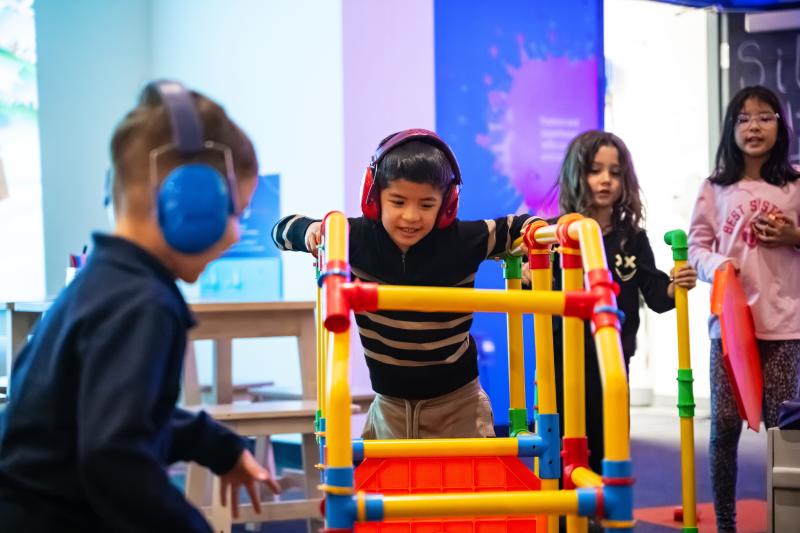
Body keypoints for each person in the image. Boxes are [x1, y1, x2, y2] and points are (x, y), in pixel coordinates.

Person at [0, 80, 279, 533]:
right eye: (238, 212)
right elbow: (116, 459)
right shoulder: (142, 304)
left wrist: (215, 445)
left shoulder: (105, 284)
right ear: (190, 201)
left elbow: (120, 414)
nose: (234, 235)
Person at [272, 128, 538, 440]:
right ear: (373, 197)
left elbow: (516, 226)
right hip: (390, 408)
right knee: (392, 486)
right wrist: (313, 229)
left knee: (463, 485)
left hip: (458, 406)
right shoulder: (353, 238)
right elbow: (281, 231)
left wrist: (534, 234)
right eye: (397, 202)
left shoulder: (463, 240)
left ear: (447, 204)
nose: (410, 216)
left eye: (426, 205)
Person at [544, 129, 697, 475]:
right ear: (576, 174)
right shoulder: (555, 235)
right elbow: (538, 296)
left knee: (608, 443)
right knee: (564, 446)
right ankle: (564, 519)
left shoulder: (632, 239)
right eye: (595, 170)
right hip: (563, 362)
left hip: (613, 360)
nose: (605, 181)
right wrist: (526, 278)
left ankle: (602, 516)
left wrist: (676, 286)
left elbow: (656, 292)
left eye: (614, 173)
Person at [688, 85, 800, 533]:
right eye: (743, 118)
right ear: (731, 128)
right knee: (724, 430)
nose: (754, 127)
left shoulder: (794, 183)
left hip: (785, 325)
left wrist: (793, 236)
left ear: (781, 125)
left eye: (765, 117)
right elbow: (697, 247)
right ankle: (727, 523)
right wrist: (720, 265)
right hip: (730, 330)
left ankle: (783, 519)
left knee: (782, 430)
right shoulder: (715, 187)